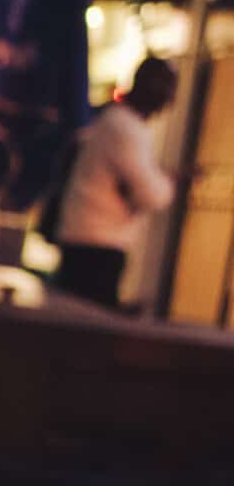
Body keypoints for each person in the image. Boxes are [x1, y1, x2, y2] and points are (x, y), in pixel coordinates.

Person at [53, 58, 178, 310]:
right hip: (95, 245)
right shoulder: (124, 127)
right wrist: (166, 183)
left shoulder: (118, 121)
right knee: (86, 321)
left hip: (92, 240)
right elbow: (149, 193)